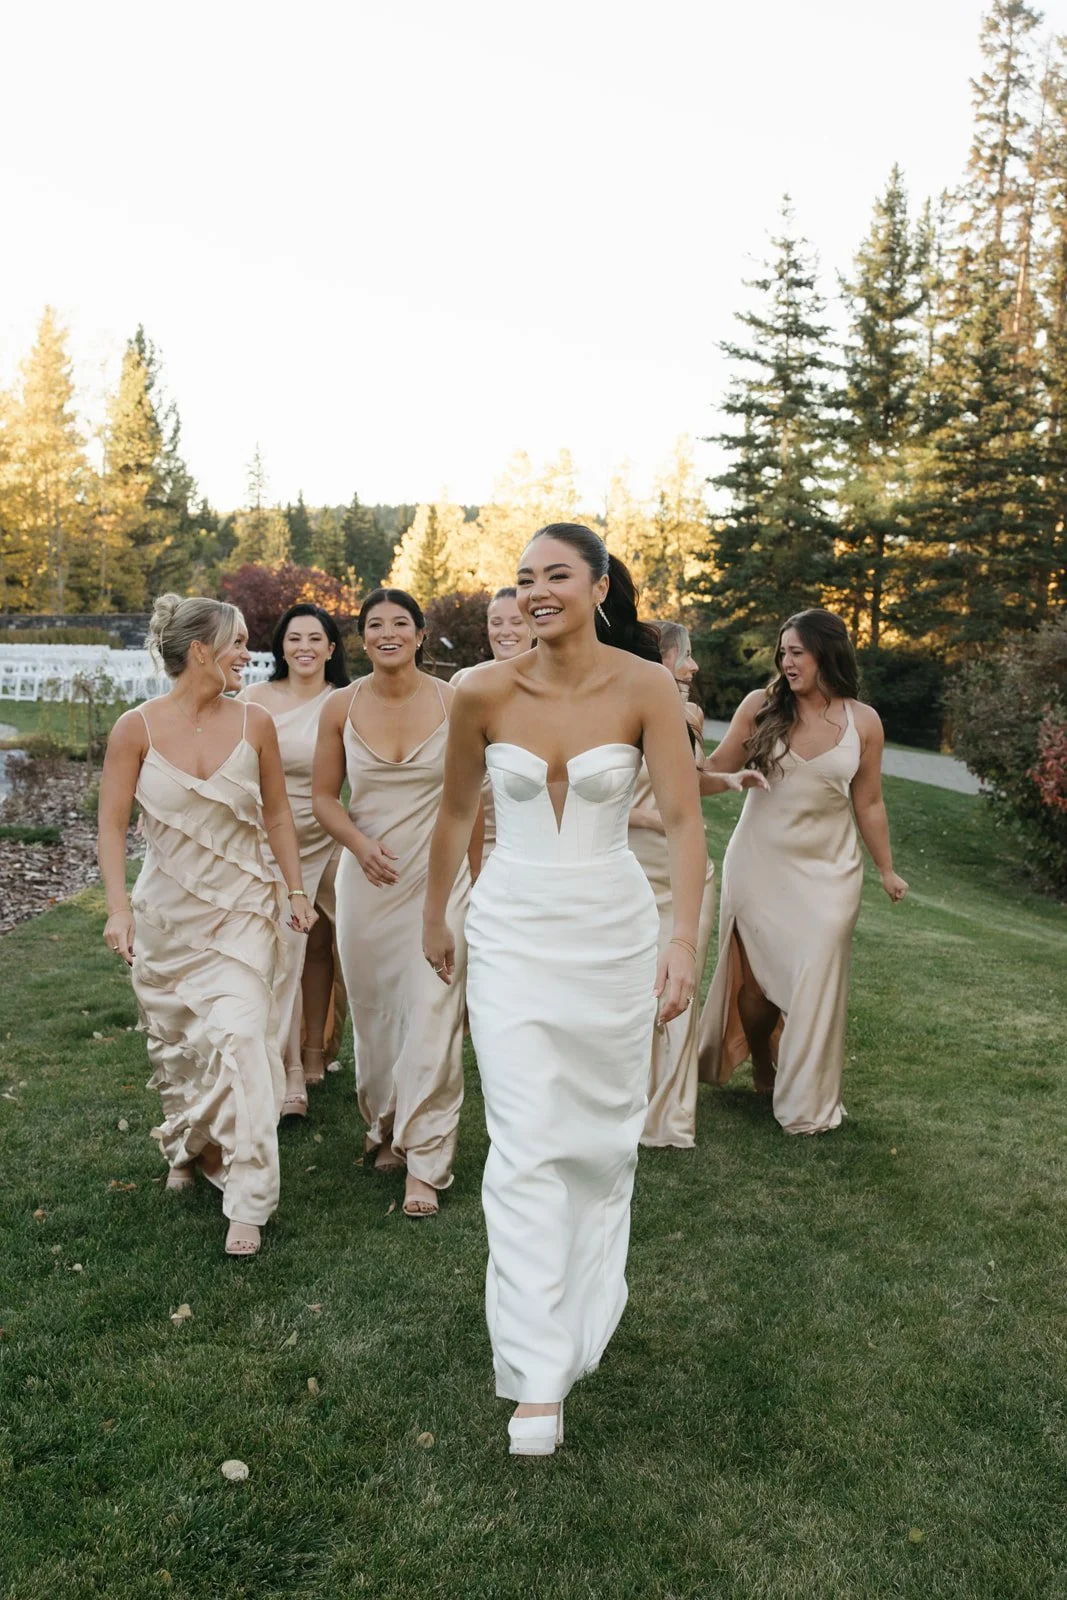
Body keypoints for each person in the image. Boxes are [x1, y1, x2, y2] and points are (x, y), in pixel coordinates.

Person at [422, 524, 708, 1456]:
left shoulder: (645, 687)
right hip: (509, 929)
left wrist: (682, 942)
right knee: (522, 1142)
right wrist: (437, 915)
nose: (536, 591)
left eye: (555, 576)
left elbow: (683, 824)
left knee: (595, 1143)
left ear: (597, 586)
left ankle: (579, 1311)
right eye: (523, 579)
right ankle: (537, 1376)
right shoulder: (479, 691)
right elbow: (458, 809)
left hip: (612, 934)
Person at [97, 594, 315, 1257]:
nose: (247, 653)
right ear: (199, 650)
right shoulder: (134, 728)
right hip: (167, 916)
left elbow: (277, 814)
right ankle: (188, 1146)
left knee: (244, 1038)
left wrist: (297, 889)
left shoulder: (255, 724)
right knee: (182, 1046)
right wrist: (117, 908)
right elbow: (109, 825)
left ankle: (249, 1199)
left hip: (244, 911)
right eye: (237, 641)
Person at [697, 608, 908, 1134]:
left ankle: (806, 1101)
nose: (787, 663)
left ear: (826, 654)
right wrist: (676, 742)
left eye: (798, 653)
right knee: (754, 984)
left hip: (831, 872)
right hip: (759, 861)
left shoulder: (865, 722)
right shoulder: (761, 707)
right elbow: (707, 774)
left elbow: (871, 803)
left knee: (815, 974)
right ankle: (765, 1064)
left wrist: (886, 869)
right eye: (783, 653)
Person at [313, 588, 471, 1219]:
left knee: (433, 1010)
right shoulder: (339, 707)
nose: (386, 633)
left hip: (441, 880)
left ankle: (426, 1161)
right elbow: (325, 797)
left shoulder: (457, 703)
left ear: (420, 633)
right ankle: (384, 1126)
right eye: (373, 624)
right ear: (361, 637)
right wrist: (359, 843)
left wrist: (479, 883)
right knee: (377, 1015)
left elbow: (471, 801)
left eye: (399, 623)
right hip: (368, 880)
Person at [629, 622, 766, 1149]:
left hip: (687, 873)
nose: (693, 667)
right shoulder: (619, 711)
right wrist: (649, 820)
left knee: (678, 988)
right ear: (656, 661)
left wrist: (728, 779)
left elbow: (687, 780)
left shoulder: (690, 715)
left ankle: (669, 1117)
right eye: (683, 656)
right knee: (633, 987)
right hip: (632, 868)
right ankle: (624, 1100)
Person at [240, 603, 349, 1116]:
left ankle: (313, 1051)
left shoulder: (346, 701)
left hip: (326, 831)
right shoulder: (253, 699)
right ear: (281, 647)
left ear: (332, 647)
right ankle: (284, 1069)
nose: (304, 647)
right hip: (267, 835)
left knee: (324, 944)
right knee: (278, 949)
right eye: (294, 638)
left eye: (315, 638)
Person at [452, 587, 535, 875]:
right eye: (496, 622)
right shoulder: (465, 683)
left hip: (531, 842)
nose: (505, 631)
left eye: (516, 621)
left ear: (533, 626)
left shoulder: (552, 687)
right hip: (471, 838)